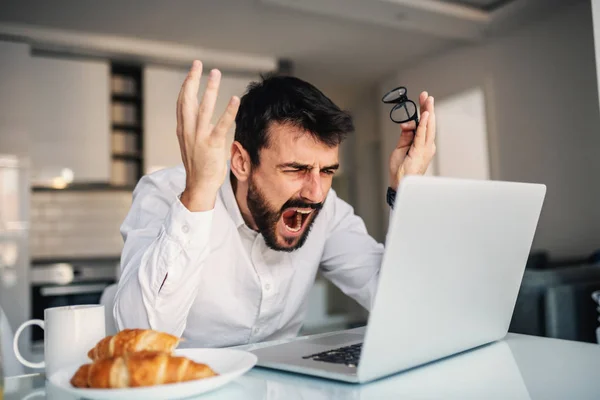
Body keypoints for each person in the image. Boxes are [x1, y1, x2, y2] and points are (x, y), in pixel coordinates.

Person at [113, 60, 436, 347]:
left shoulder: (327, 210)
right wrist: (197, 196)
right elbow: (139, 338)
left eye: (327, 171)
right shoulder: (167, 192)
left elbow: (399, 301)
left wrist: (406, 189)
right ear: (241, 161)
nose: (316, 193)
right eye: (295, 169)